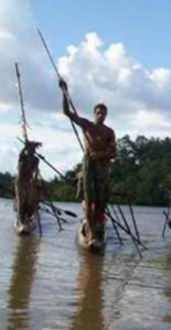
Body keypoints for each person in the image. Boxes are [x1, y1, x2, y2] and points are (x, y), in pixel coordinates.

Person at [59, 79, 116, 245]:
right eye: (98, 112)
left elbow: (113, 152)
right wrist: (64, 92)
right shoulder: (87, 125)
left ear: (106, 115)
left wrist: (103, 154)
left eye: (103, 113)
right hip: (89, 165)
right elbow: (67, 112)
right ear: (94, 113)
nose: (101, 115)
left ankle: (98, 228)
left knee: (100, 202)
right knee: (90, 201)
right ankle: (91, 234)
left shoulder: (109, 132)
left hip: (103, 167)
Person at [15, 141, 42, 224]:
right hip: (20, 182)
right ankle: (21, 220)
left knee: (29, 201)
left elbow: (35, 170)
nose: (32, 150)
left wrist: (34, 178)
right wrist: (25, 147)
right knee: (21, 202)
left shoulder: (36, 159)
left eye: (34, 149)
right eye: (31, 149)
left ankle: (28, 217)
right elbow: (21, 153)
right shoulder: (23, 157)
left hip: (29, 183)